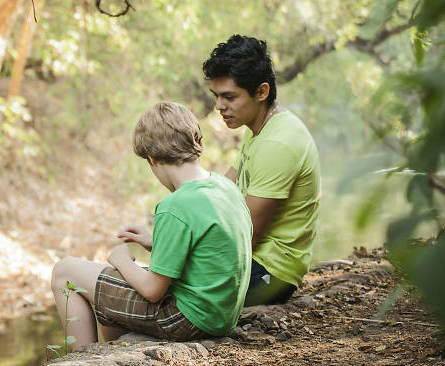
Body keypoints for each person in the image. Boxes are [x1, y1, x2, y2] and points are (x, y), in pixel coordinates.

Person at [50, 102, 252, 350]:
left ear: (152, 159)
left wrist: (122, 260)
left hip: (186, 319)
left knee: (65, 272)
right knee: (107, 295)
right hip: (220, 317)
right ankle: (111, 352)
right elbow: (212, 252)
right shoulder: (224, 187)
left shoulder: (175, 205)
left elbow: (153, 290)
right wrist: (154, 243)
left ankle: (80, 358)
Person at [202, 35, 321, 306]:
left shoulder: (279, 142)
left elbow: (246, 236)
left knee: (159, 290)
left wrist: (183, 254)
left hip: (270, 273)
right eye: (216, 96)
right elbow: (224, 190)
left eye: (229, 97)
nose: (219, 106)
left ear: (262, 92)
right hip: (254, 259)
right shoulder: (258, 129)